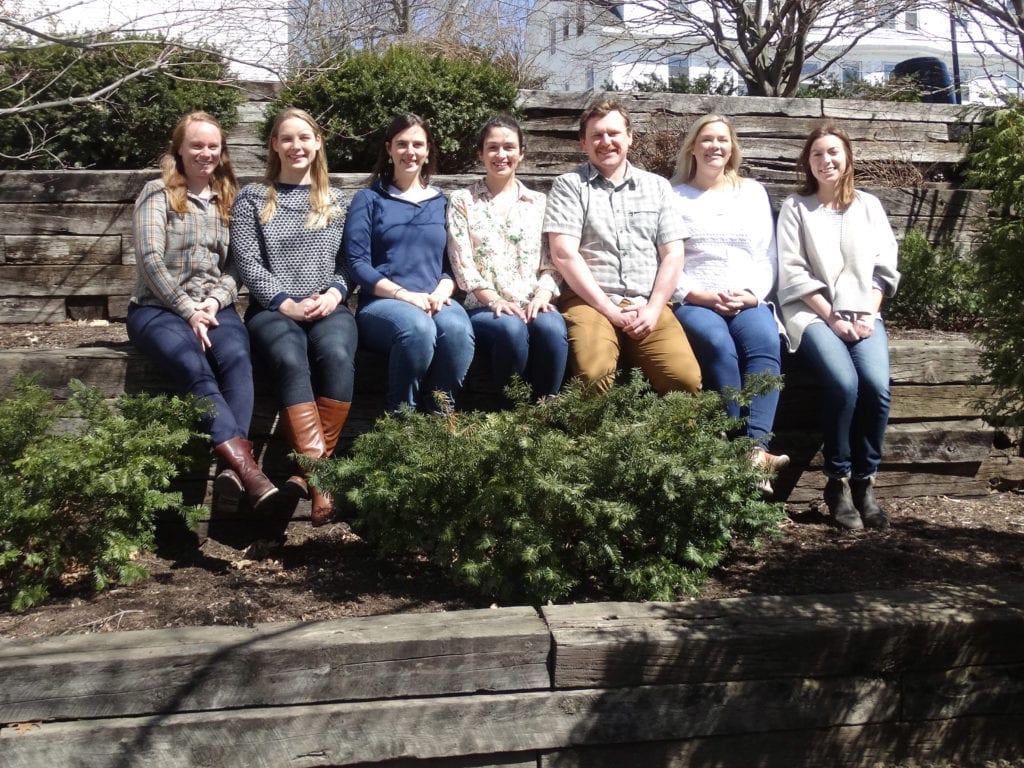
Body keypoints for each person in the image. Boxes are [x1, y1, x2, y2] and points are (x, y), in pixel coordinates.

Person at [127, 112, 278, 514]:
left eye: (213, 146)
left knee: (238, 357)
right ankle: (247, 468)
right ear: (179, 149)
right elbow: (149, 259)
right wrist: (187, 309)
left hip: (214, 306)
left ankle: (232, 471)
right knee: (192, 363)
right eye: (196, 145)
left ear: (222, 151)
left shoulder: (229, 197)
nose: (205, 153)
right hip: (157, 308)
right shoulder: (157, 193)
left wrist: (214, 301)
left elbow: (238, 265)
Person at [231, 107, 358, 527]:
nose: (296, 146)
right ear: (274, 144)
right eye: (287, 138)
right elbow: (247, 261)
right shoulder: (253, 197)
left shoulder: (336, 200)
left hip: (328, 306)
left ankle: (307, 473)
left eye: (304, 137)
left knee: (337, 353)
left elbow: (350, 262)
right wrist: (284, 302)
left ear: (318, 143)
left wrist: (336, 292)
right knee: (289, 357)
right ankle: (322, 478)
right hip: (272, 310)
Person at [776, 122, 900, 530]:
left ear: (847, 157)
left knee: (876, 387)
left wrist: (868, 311)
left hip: (864, 313)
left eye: (833, 152)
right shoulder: (796, 207)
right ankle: (838, 481)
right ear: (807, 162)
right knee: (844, 384)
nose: (825, 160)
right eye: (817, 154)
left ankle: (865, 482)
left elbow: (884, 265)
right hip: (811, 313)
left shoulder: (868, 206)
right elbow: (791, 270)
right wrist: (831, 316)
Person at [542, 99, 701, 396]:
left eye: (613, 133)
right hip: (590, 303)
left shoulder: (657, 187)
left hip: (647, 303)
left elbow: (673, 253)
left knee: (685, 380)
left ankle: (668, 430)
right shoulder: (569, 186)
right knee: (593, 376)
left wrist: (653, 309)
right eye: (597, 135)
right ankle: (589, 429)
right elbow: (563, 253)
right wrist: (610, 310)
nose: (606, 142)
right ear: (583, 143)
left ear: (629, 137)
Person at [669, 114, 788, 491]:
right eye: (706, 139)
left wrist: (753, 293)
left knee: (765, 343)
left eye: (722, 139)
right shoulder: (673, 195)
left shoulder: (751, 192)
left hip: (745, 296)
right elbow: (667, 258)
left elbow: (767, 255)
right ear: (692, 147)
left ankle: (756, 450)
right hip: (694, 299)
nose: (714, 146)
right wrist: (696, 294)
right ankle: (729, 446)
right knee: (719, 346)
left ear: (732, 148)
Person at [344, 113, 474, 413]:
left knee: (457, 330)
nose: (410, 152)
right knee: (417, 328)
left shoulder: (441, 202)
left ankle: (441, 416)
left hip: (435, 299)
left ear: (428, 150)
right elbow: (358, 263)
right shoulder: (369, 199)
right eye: (402, 144)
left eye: (418, 144)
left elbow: (452, 263)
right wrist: (404, 296)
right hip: (383, 305)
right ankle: (403, 420)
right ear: (389, 149)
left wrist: (442, 291)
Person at [447, 115, 567, 404]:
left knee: (551, 328)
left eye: (509, 147)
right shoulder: (463, 200)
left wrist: (542, 295)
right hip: (484, 307)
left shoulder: (538, 203)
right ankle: (513, 415)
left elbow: (551, 262)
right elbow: (462, 264)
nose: (501, 155)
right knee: (511, 328)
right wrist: (495, 301)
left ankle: (547, 412)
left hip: (532, 301)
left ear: (521, 153)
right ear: (481, 153)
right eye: (493, 147)